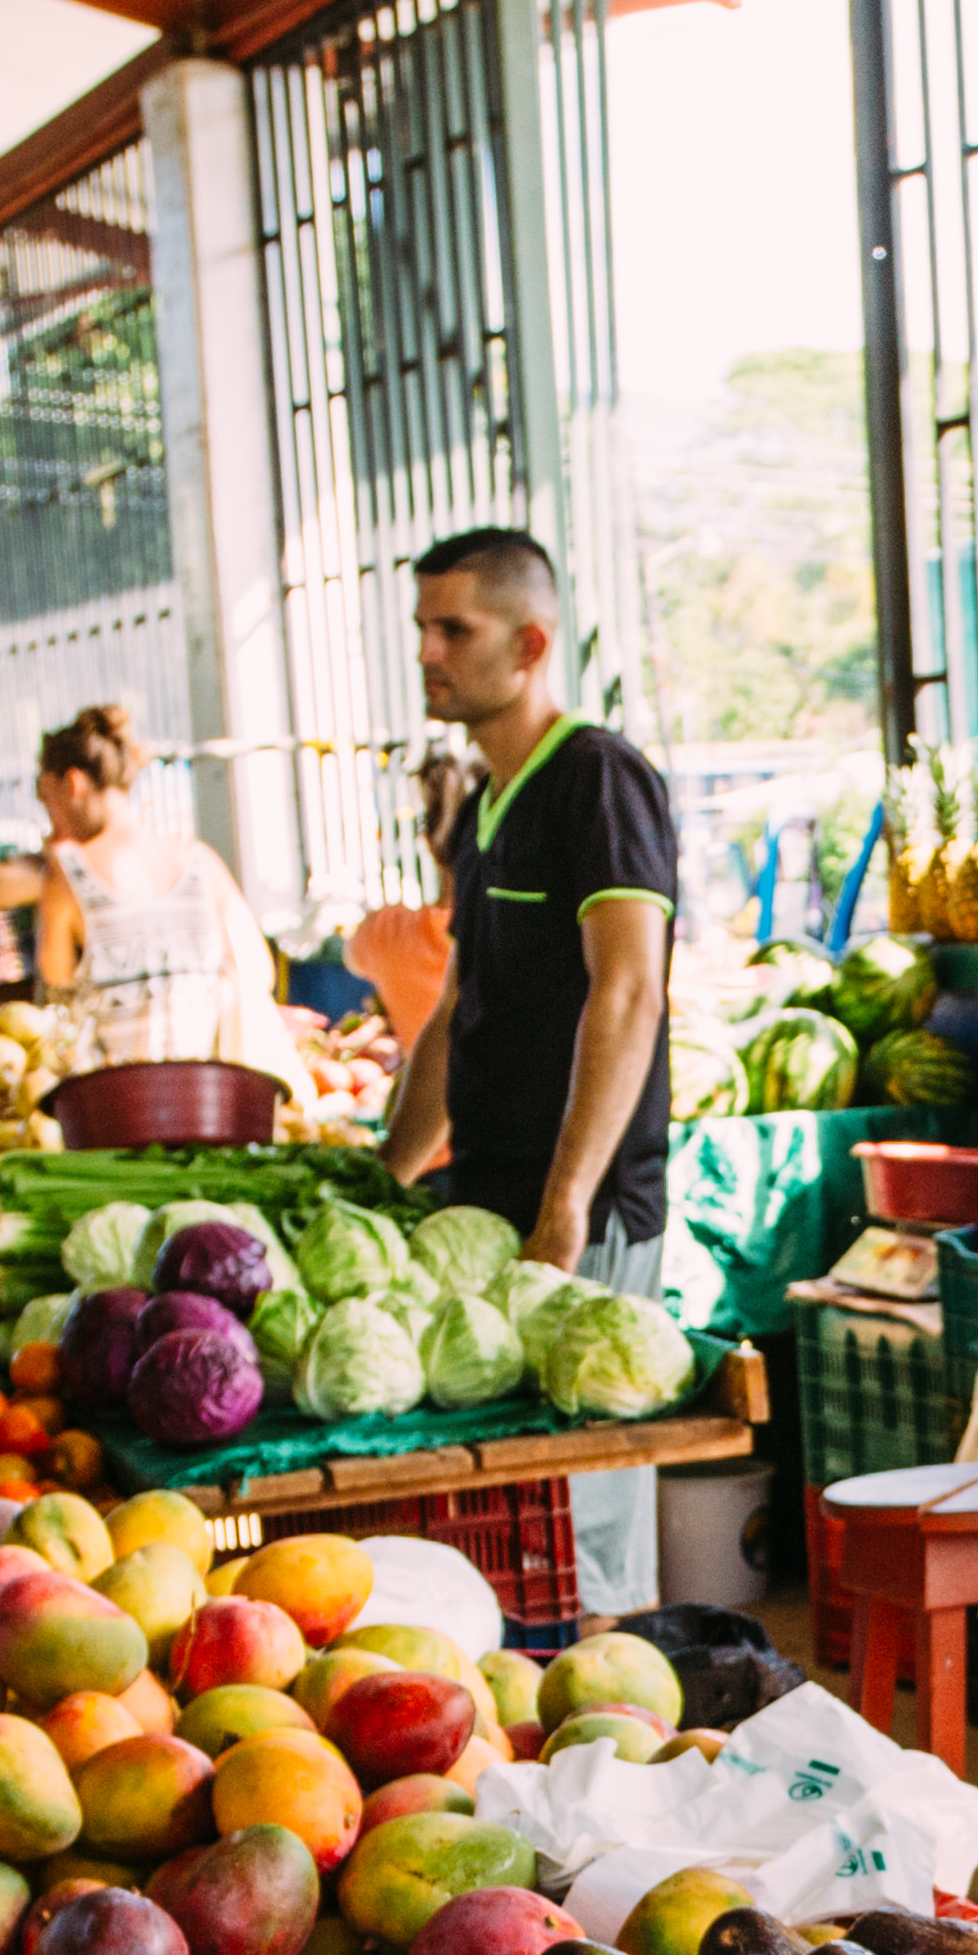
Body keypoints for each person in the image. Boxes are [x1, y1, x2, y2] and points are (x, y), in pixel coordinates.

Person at [381, 527, 682, 1608]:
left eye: (453, 628)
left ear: (530, 643)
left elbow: (630, 991)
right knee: (517, 1533)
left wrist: (566, 1209)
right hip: (493, 1211)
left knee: (586, 1533)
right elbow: (454, 1012)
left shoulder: (597, 780)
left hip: (584, 1219)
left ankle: (625, 1740)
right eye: (422, 627)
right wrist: (389, 1176)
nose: (428, 651)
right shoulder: (484, 810)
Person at [0, 706, 285, 1073]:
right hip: (205, 1095)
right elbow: (258, 971)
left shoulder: (69, 876)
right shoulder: (201, 862)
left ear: (73, 785)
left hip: (116, 1105)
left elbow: (58, 988)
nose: (50, 817)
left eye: (48, 799)